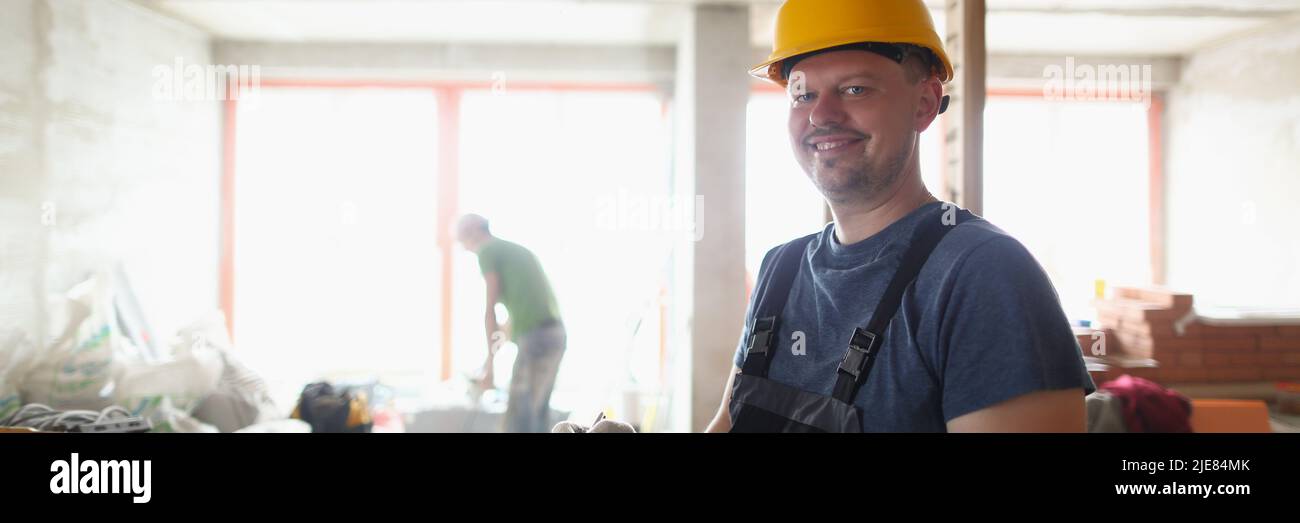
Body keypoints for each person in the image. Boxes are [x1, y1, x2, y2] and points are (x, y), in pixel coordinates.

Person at [707, 0, 1095, 432]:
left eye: (855, 89)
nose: (820, 114)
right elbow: (727, 422)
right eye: (804, 95)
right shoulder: (780, 268)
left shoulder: (984, 275)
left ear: (925, 103)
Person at [456, 214, 566, 433]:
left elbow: (490, 311)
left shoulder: (488, 251)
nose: (463, 246)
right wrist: (489, 361)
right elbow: (514, 319)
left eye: (462, 238)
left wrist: (490, 368)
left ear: (475, 231)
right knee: (536, 414)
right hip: (555, 335)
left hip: (538, 338)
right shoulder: (513, 251)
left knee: (519, 419)